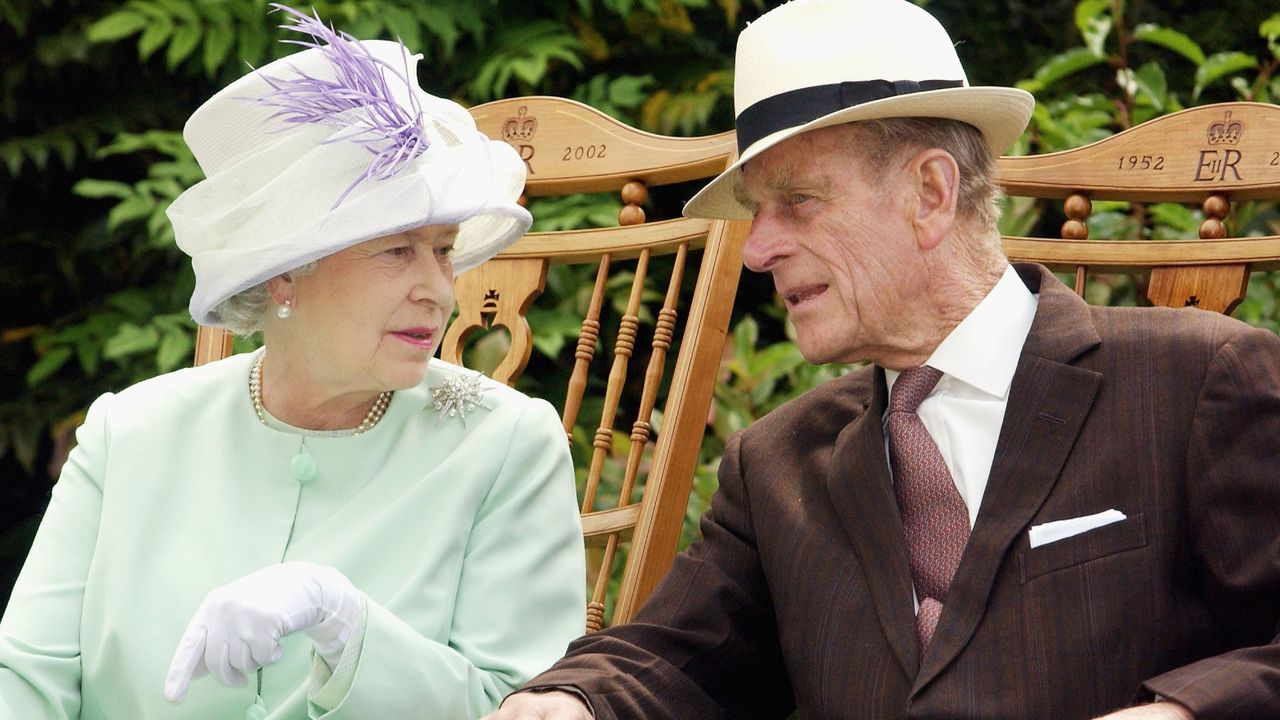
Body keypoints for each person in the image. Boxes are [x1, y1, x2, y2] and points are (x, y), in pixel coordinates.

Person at [484, 0, 1280, 718]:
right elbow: (673, 658)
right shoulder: (778, 465)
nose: (756, 249)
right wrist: (568, 704)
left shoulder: (1197, 381)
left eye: (795, 201)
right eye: (755, 213)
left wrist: (1181, 713)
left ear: (930, 194)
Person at [0, 5, 586, 719]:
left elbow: (516, 706)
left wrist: (346, 624)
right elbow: (24, 681)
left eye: (443, 249)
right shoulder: (128, 434)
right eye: (397, 250)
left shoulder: (507, 445)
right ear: (285, 274)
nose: (438, 289)